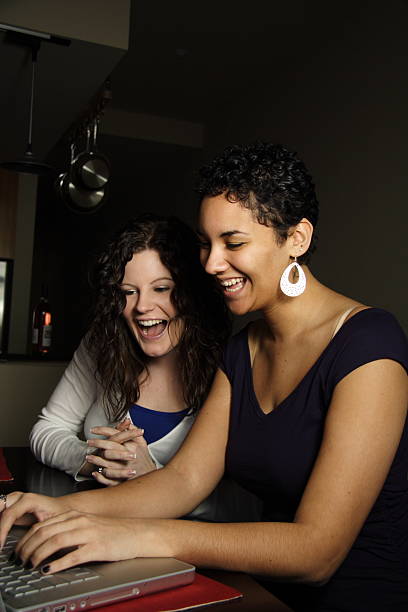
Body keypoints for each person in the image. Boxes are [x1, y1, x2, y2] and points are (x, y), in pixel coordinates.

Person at [1, 143, 407, 612]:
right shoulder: (244, 347)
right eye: (206, 243)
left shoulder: (370, 344)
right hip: (255, 586)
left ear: (296, 238)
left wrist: (133, 536)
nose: (211, 264)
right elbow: (184, 480)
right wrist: (56, 509)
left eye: (233, 243)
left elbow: (317, 553)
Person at [28, 213, 260, 520]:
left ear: (192, 294)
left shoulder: (233, 366)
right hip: (90, 528)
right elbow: (46, 430)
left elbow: (247, 504)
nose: (142, 307)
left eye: (161, 289)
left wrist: (155, 481)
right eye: (128, 292)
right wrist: (92, 458)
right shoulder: (102, 344)